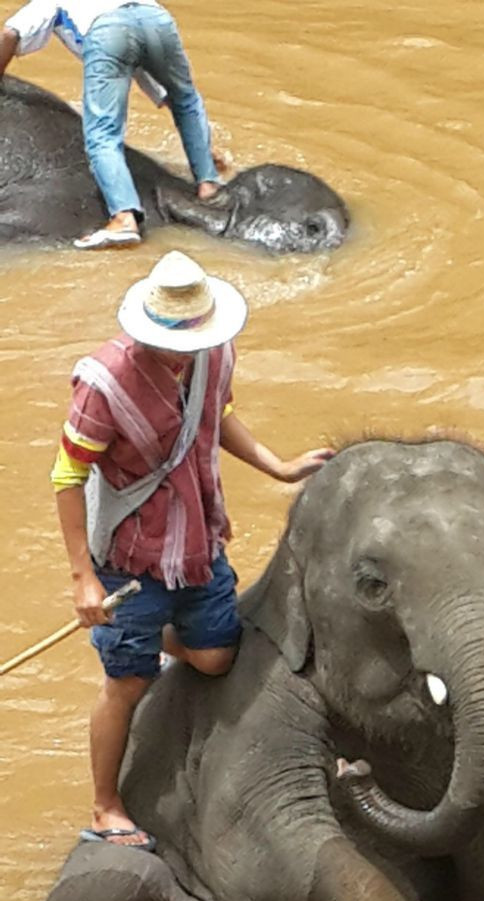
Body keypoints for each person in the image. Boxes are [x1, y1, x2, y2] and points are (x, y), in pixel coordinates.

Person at [52, 248, 333, 849]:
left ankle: (150, 636)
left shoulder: (213, 356)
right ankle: (105, 805)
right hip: (131, 555)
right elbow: (67, 478)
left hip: (198, 537)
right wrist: (83, 578)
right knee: (126, 682)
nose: (188, 350)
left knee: (217, 657)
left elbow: (217, 417)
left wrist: (278, 467)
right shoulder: (102, 384)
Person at [0, 1, 223, 249]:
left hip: (109, 31)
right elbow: (164, 90)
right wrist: (201, 148)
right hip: (157, 19)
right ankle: (208, 185)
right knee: (186, 100)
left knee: (102, 134)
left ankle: (124, 219)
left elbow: (11, 33)